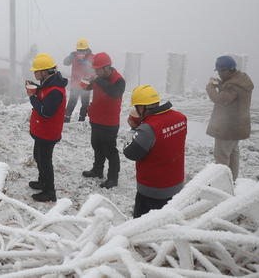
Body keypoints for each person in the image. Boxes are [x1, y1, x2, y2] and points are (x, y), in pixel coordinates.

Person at [124, 85, 187, 218]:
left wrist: (134, 129)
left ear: (142, 107)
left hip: (153, 190)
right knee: (167, 224)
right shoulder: (180, 117)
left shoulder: (147, 129)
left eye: (136, 107)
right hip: (177, 184)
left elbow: (130, 152)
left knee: (142, 227)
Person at [26, 53, 68, 202]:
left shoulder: (55, 90)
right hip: (42, 131)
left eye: (36, 71)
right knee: (38, 156)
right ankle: (42, 181)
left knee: (45, 160)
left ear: (44, 71)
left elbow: (46, 112)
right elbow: (43, 93)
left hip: (48, 133)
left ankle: (49, 191)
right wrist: (35, 88)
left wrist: (32, 97)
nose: (34, 73)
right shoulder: (49, 83)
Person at [80, 52, 125, 189]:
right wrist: (86, 83)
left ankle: (113, 177)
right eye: (95, 70)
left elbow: (115, 92)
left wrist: (97, 80)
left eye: (98, 69)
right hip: (96, 118)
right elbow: (89, 87)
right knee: (97, 146)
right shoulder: (99, 77)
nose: (96, 72)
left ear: (107, 67)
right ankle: (97, 170)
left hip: (109, 122)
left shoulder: (119, 80)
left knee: (110, 150)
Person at [206, 55, 254, 180]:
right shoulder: (241, 79)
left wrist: (210, 88)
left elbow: (220, 100)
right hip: (238, 126)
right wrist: (222, 84)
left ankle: (223, 185)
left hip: (227, 127)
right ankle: (232, 181)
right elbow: (233, 95)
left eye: (221, 71)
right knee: (233, 153)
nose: (220, 74)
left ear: (229, 70)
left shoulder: (232, 86)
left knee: (221, 155)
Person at [62, 38, 94, 123]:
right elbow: (65, 63)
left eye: (83, 50)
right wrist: (69, 57)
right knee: (72, 101)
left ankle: (81, 119)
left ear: (87, 50)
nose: (81, 52)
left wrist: (87, 63)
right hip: (75, 83)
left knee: (85, 103)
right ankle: (66, 118)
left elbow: (95, 69)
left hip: (86, 83)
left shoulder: (92, 57)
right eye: (79, 50)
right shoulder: (74, 55)